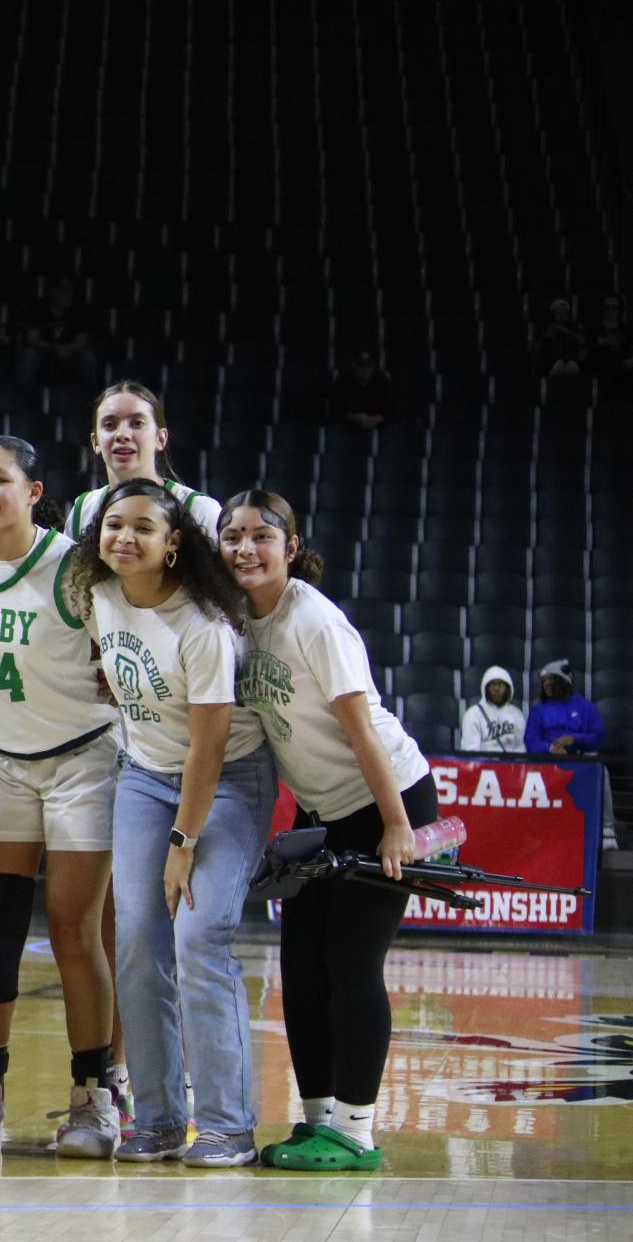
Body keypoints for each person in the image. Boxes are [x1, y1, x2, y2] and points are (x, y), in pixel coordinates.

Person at [221, 490, 435, 1172]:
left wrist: (398, 827)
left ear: (291, 546)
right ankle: (316, 1122)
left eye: (261, 535)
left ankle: (356, 1131)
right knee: (301, 970)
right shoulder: (234, 620)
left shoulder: (313, 620)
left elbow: (361, 728)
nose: (244, 548)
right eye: (232, 535)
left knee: (349, 964)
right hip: (321, 814)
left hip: (385, 800)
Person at [68, 478, 274, 1168]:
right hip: (141, 778)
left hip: (225, 784)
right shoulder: (98, 599)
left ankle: (226, 1128)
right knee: (134, 941)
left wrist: (181, 845)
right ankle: (155, 1122)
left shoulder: (204, 627)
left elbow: (209, 748)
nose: (123, 537)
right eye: (112, 524)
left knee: (197, 938)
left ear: (174, 544)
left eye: (141, 528)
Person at [0, 437, 122, 1159]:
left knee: (76, 930)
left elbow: (131, 640)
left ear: (34, 491)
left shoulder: (75, 567)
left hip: (81, 760)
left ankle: (92, 1096)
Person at [61, 382, 223, 543]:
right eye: (110, 425)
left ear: (160, 438)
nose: (122, 435)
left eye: (137, 423)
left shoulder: (200, 510)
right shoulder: (82, 510)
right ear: (95, 442)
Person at [19, 275, 96, 388]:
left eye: (70, 292)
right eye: (64, 292)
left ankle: (90, 398)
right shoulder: (38, 310)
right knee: (29, 355)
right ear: (53, 292)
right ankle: (24, 396)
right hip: (44, 355)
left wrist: (68, 349)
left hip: (69, 356)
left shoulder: (77, 312)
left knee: (88, 359)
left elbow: (82, 341)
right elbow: (32, 339)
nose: (68, 296)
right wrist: (54, 348)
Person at [525, 660, 603, 755]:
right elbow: (531, 742)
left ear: (563, 680)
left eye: (550, 679)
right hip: (548, 763)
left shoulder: (586, 707)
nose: (545, 684)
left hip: (581, 762)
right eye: (543, 680)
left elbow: (598, 738)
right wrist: (550, 748)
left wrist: (574, 739)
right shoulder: (538, 710)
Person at [459, 666, 527, 753]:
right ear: (486, 688)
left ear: (507, 688)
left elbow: (519, 749)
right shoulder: (473, 714)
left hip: (510, 764)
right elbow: (471, 751)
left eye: (500, 684)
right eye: (493, 685)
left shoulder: (517, 715)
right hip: (483, 764)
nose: (496, 689)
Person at [328, 352, 395, 430]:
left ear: (373, 366)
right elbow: (334, 408)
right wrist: (353, 417)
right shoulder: (343, 380)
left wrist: (378, 418)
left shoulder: (382, 380)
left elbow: (392, 407)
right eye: (361, 365)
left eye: (369, 365)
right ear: (354, 365)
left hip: (379, 426)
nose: (365, 369)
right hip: (347, 427)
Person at [535, 297, 587, 376]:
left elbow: (581, 340)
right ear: (553, 314)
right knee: (559, 364)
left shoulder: (574, 327)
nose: (561, 315)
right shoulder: (546, 327)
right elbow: (540, 345)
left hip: (571, 360)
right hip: (552, 362)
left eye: (564, 313)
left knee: (572, 365)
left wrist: (566, 331)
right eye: (558, 312)